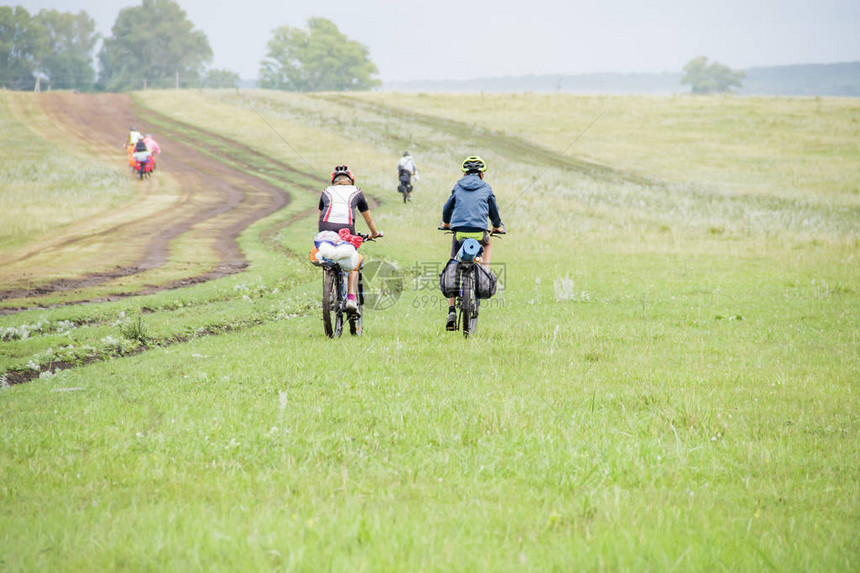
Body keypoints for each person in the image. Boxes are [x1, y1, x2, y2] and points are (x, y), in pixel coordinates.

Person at [440, 155, 504, 330]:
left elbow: (447, 208)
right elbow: (494, 211)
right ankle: (485, 270)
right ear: (482, 175)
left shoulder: (458, 187)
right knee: (488, 243)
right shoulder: (486, 187)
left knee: (454, 259)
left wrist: (446, 223)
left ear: (464, 174)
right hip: (479, 233)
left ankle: (451, 310)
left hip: (460, 233)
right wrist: (497, 226)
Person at [318, 165, 382, 315]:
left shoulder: (326, 191)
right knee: (354, 262)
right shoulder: (356, 191)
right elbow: (368, 219)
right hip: (346, 228)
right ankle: (352, 299)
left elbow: (320, 216)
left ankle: (330, 286)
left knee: (328, 258)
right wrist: (374, 233)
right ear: (351, 180)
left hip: (325, 227)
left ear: (334, 180)